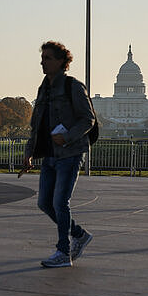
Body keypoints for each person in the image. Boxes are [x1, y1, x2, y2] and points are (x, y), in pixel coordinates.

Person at [20, 41, 97, 268]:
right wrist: (29, 154)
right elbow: (37, 126)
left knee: (60, 202)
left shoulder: (73, 86)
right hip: (50, 154)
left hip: (70, 152)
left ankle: (64, 251)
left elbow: (88, 119)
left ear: (62, 62)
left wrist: (69, 136)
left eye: (47, 58)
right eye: (42, 58)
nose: (42, 62)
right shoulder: (43, 89)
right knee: (45, 203)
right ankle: (79, 234)